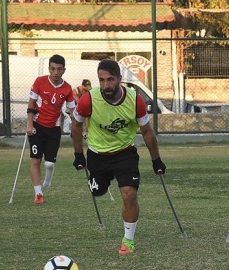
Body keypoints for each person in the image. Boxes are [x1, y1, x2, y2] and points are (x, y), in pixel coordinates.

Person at [71, 59, 166, 255]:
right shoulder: (89, 99)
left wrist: (156, 159)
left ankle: (128, 240)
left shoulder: (135, 100)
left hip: (125, 153)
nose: (105, 85)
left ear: (120, 79)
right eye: (101, 80)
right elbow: (76, 125)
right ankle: (100, 184)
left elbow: (147, 131)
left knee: (129, 194)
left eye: (110, 80)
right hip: (97, 155)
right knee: (97, 191)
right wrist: (78, 155)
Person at [26, 54, 75, 204]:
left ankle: (48, 178)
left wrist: (77, 128)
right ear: (49, 69)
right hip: (37, 126)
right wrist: (29, 124)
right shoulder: (39, 82)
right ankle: (38, 193)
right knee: (36, 160)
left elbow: (72, 110)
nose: (55, 72)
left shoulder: (67, 88)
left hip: (54, 128)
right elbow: (31, 104)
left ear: (63, 70)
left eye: (59, 69)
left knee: (49, 163)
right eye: (53, 69)